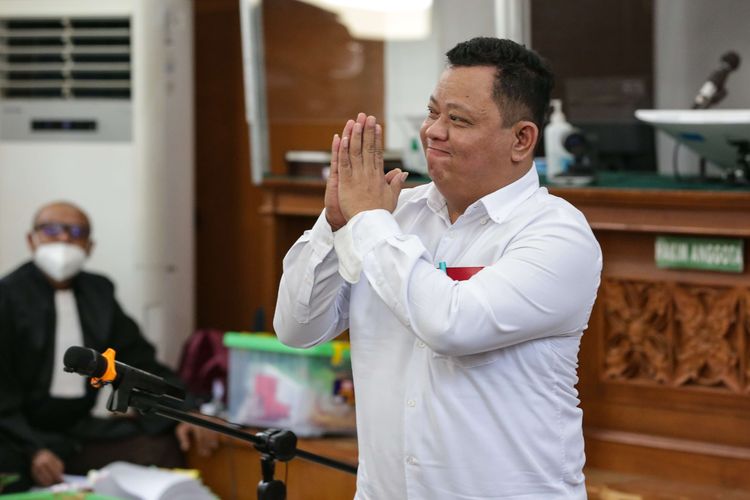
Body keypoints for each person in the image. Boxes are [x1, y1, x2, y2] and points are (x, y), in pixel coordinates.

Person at [274, 37, 602, 499]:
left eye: (458, 120)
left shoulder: (558, 234)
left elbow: (450, 324)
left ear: (522, 139)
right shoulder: (393, 215)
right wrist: (333, 224)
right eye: (433, 113)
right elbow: (297, 328)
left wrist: (368, 221)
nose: (433, 131)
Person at [0, 201, 217, 492]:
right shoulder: (7, 296)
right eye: (51, 230)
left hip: (79, 429)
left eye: (76, 231)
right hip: (16, 433)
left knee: (158, 447)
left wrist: (186, 410)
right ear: (31, 239)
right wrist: (34, 450)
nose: (64, 238)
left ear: (89, 246)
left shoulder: (99, 293)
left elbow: (140, 363)